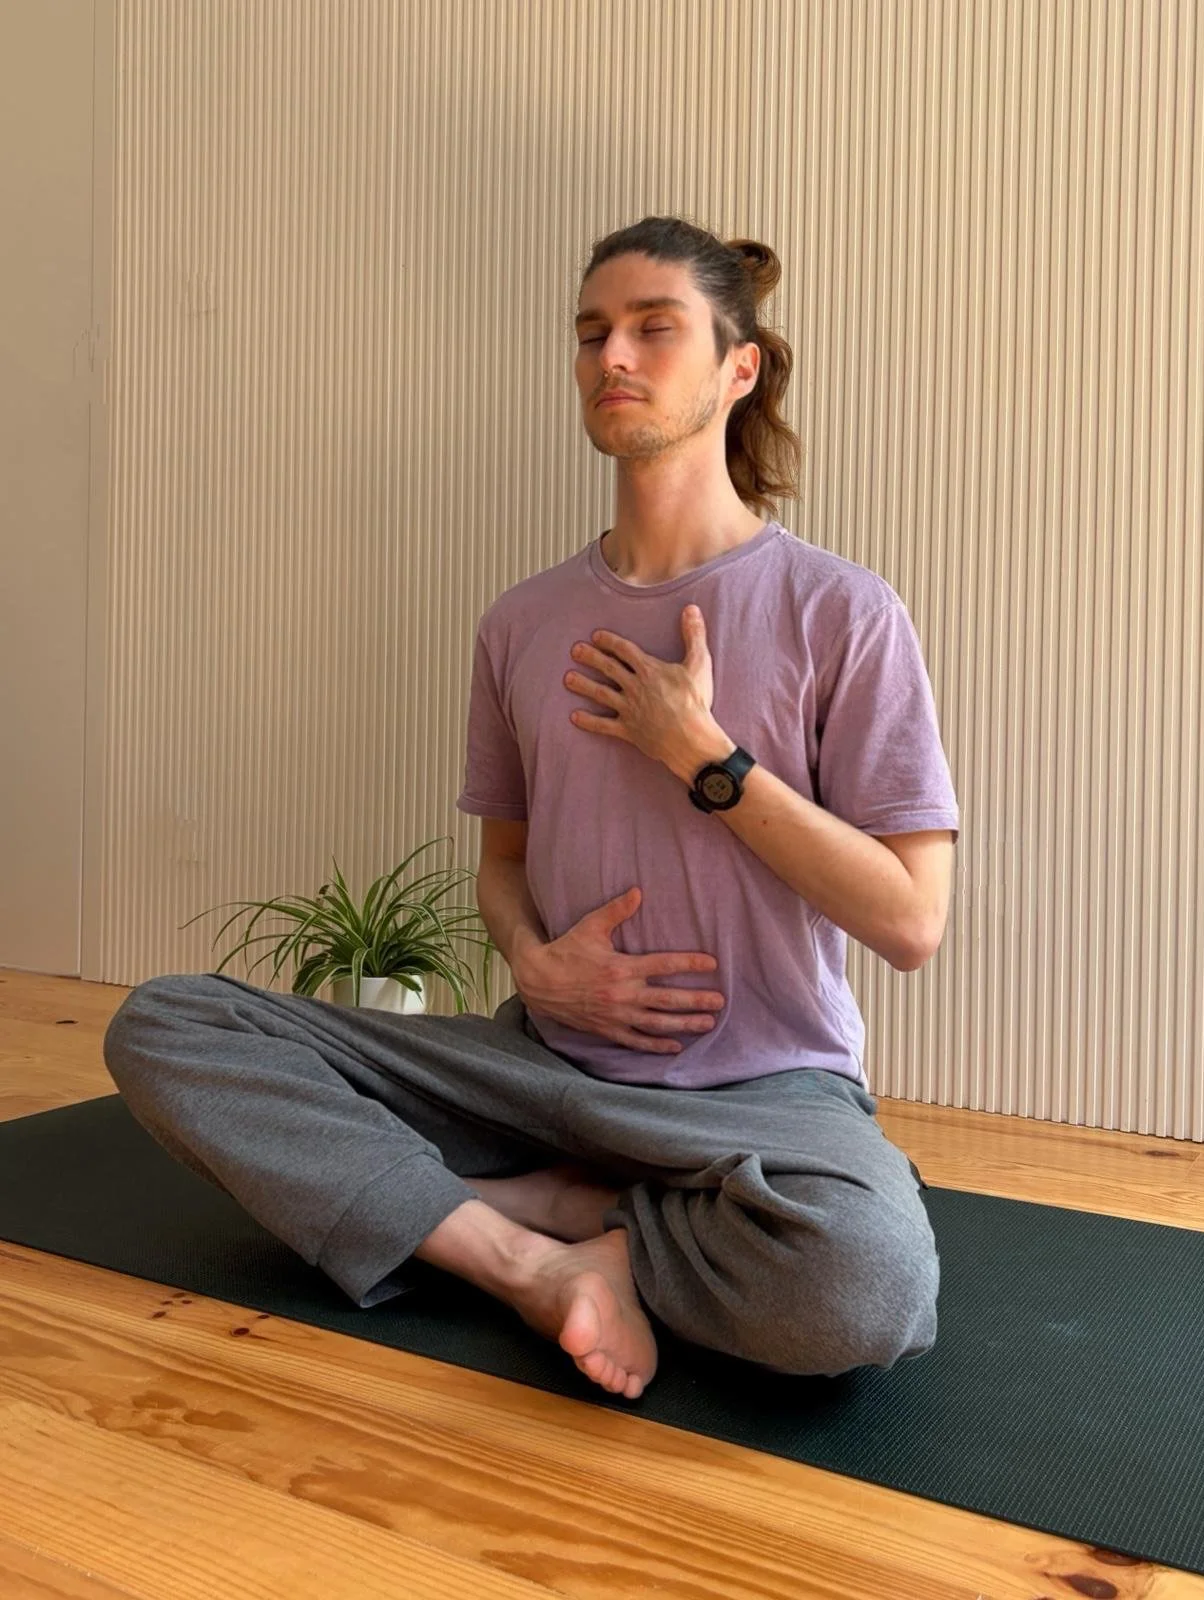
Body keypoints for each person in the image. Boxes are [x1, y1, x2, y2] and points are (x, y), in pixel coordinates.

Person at [103, 215, 959, 1405]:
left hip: (761, 1093)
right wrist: (532, 961)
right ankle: (535, 1249)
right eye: (591, 332)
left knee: (864, 1285)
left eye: (653, 328)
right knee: (166, 1024)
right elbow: (501, 864)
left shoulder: (843, 612)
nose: (613, 356)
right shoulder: (520, 620)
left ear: (738, 366)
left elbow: (910, 921)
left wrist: (703, 756)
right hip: (535, 1070)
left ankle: (549, 1224)